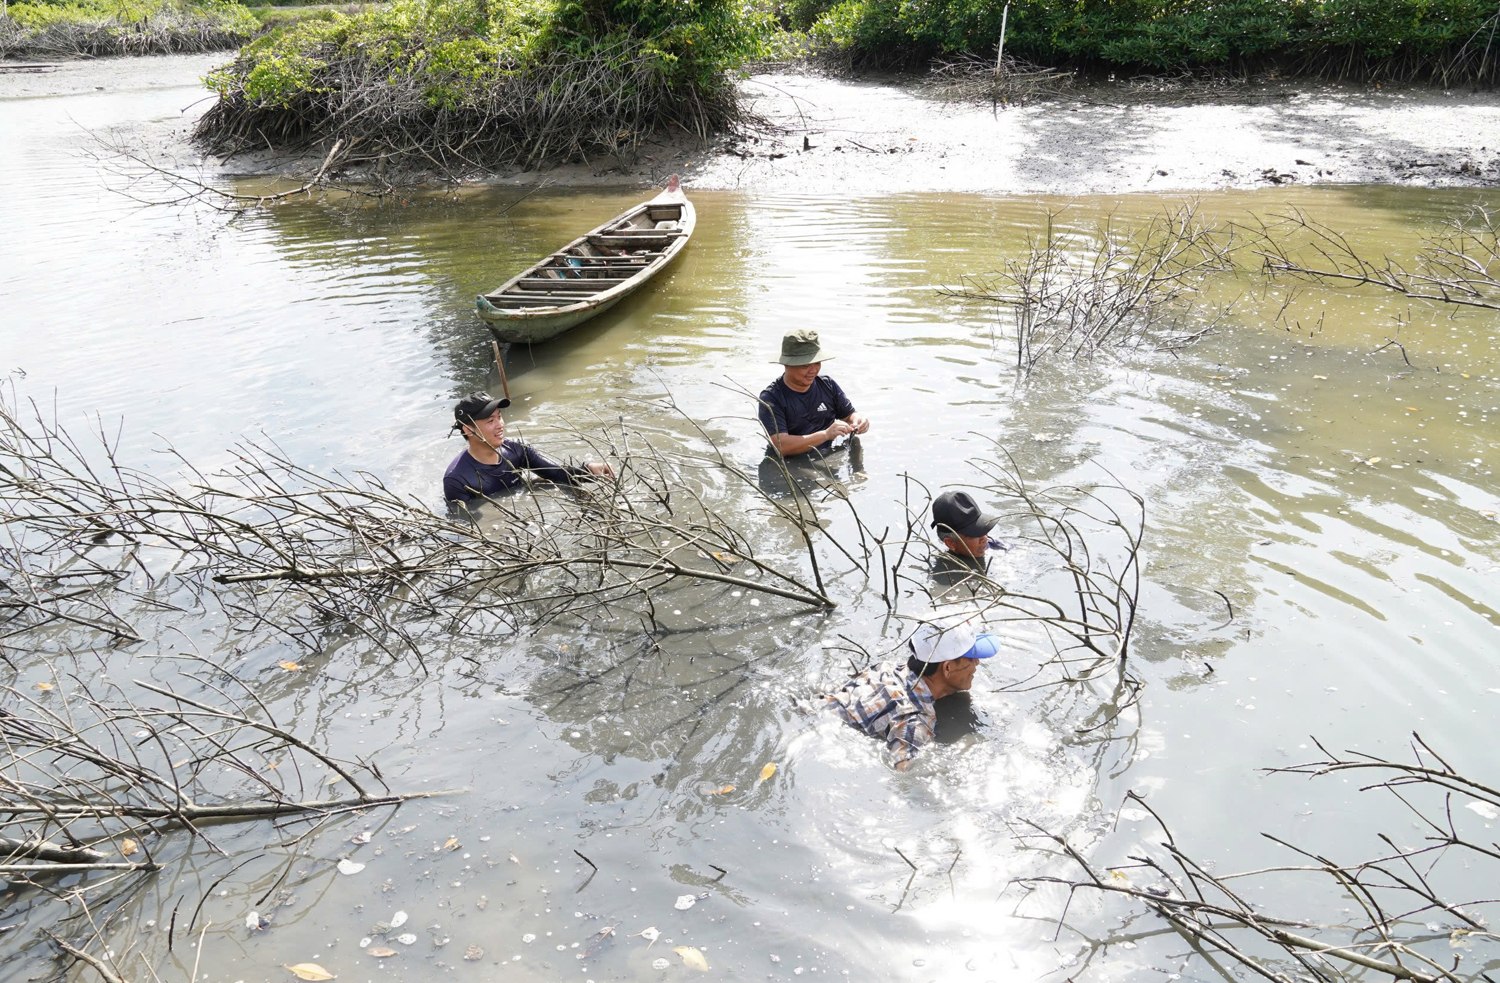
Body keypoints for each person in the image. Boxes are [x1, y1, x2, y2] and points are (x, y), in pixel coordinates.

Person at [820, 619, 999, 770]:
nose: (977, 662)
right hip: (825, 735)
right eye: (971, 657)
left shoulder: (885, 668)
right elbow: (904, 772)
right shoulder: (914, 721)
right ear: (948, 668)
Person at [442, 392, 613, 509]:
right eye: (490, 421)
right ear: (468, 430)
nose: (500, 425)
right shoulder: (457, 480)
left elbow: (556, 473)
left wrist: (588, 470)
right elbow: (466, 522)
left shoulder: (517, 450)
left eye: (499, 417)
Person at [757, 329, 870, 458]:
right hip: (790, 464)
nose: (813, 370)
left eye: (817, 363)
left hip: (827, 455)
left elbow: (849, 416)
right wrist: (826, 435)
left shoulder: (827, 384)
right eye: (805, 365)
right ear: (787, 364)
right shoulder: (771, 398)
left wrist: (858, 422)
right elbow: (782, 446)